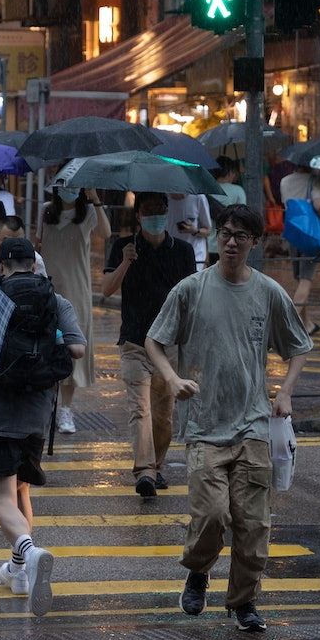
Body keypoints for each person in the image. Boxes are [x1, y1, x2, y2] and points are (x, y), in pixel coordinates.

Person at [145, 204, 313, 632]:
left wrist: (287, 392)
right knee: (213, 516)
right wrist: (172, 378)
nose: (232, 241)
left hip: (254, 423)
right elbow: (154, 341)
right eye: (225, 233)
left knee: (254, 525)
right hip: (203, 425)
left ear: (255, 242)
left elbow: (298, 346)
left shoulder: (268, 292)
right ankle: (199, 571)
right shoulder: (191, 289)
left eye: (241, 235)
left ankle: (243, 602)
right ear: (217, 237)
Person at [0, 237, 86, 617]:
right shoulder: (55, 299)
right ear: (34, 264)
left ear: (0, 264)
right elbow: (77, 349)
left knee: (1, 496)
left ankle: (29, 552)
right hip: (37, 411)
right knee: (22, 492)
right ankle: (19, 572)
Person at [102, 192, 197, 497]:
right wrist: (126, 262)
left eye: (160, 210)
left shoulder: (182, 250)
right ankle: (144, 472)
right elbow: (106, 289)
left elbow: (191, 298)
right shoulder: (123, 247)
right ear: (138, 215)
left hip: (169, 346)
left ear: (167, 213)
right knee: (139, 409)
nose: (155, 215)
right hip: (134, 342)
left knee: (163, 415)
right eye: (148, 211)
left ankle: (156, 466)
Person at [36, 186, 111, 434]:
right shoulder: (46, 211)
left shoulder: (88, 211)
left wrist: (96, 198)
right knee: (46, 346)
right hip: (48, 287)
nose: (69, 188)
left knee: (72, 347)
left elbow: (105, 232)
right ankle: (48, 405)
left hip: (77, 289)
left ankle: (66, 409)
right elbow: (38, 244)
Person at [280, 164, 320, 335]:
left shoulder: (284, 181)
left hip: (292, 231)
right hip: (310, 233)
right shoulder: (315, 180)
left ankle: (306, 324)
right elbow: (318, 205)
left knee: (299, 279)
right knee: (306, 279)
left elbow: (287, 204)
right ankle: (288, 323)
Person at [207, 157, 246, 266]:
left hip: (209, 245)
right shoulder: (238, 191)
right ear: (230, 172)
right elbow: (243, 218)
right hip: (231, 245)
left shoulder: (206, 190)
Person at [165, 193, 212, 271]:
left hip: (196, 256)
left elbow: (208, 230)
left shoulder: (198, 197)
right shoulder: (164, 198)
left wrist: (194, 230)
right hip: (171, 256)